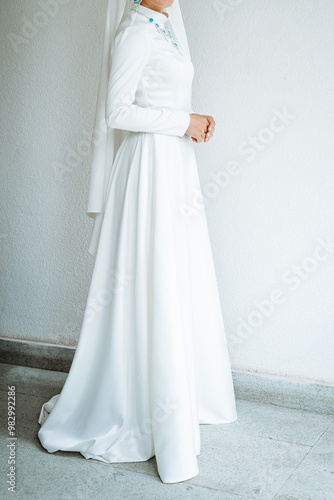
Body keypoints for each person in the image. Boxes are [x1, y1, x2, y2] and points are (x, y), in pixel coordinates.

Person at [37, 0, 237, 484]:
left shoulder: (164, 28)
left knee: (177, 275)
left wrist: (190, 118)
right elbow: (118, 110)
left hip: (174, 168)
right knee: (148, 279)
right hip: (147, 171)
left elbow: (163, 96)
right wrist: (181, 121)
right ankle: (137, 407)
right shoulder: (133, 32)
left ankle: (176, 395)